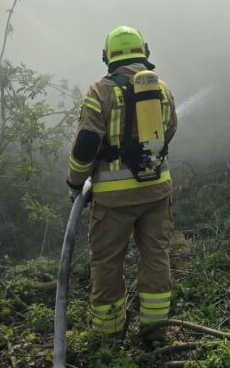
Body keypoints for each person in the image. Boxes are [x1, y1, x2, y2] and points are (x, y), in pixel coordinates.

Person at [66, 26, 178, 342]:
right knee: (156, 257)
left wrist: (75, 183)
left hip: (114, 200)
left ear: (108, 57)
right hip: (156, 190)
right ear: (144, 51)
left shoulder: (99, 93)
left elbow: (86, 144)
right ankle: (154, 333)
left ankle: (109, 336)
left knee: (107, 264)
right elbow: (168, 133)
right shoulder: (163, 90)